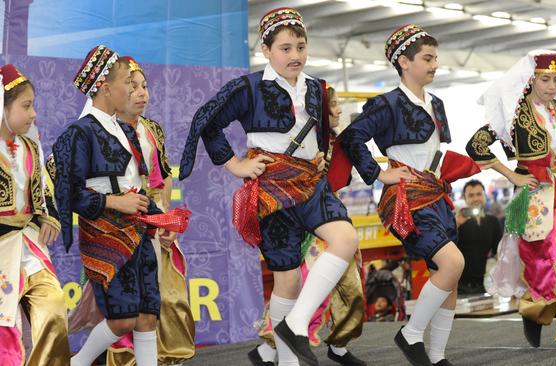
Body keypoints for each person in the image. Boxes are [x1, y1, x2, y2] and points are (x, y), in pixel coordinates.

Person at [179, 8, 359, 366]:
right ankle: (288, 355)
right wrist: (236, 165)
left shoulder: (318, 88)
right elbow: (207, 122)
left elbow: (321, 131)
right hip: (272, 190)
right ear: (266, 50)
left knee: (346, 239)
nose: (295, 56)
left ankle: (294, 324)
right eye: (285, 48)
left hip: (311, 184)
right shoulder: (249, 88)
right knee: (287, 280)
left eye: (301, 47)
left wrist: (321, 155)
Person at [335, 24, 480, 366]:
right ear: (404, 61)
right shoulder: (386, 104)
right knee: (453, 263)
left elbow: (436, 153)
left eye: (435, 58)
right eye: (427, 58)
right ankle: (410, 333)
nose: (434, 64)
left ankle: (438, 355)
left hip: (437, 195)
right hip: (406, 198)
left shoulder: (437, 103)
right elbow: (352, 137)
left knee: (449, 276)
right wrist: (378, 174)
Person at [52, 45, 177, 366]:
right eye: (128, 83)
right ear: (106, 89)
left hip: (140, 232)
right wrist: (113, 201)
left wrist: (162, 222)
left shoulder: (127, 130)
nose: (135, 90)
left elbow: (139, 187)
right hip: (106, 235)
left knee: (148, 315)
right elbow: (69, 194)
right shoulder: (80, 133)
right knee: (122, 319)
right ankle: (78, 364)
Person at [466, 50, 556, 349]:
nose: (551, 86)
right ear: (531, 78)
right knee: (543, 258)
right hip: (528, 194)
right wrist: (511, 175)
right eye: (545, 79)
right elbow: (476, 145)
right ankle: (535, 310)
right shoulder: (515, 114)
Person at [250, 86, 366, 366]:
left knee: (349, 286)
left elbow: (338, 184)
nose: (338, 110)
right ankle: (271, 348)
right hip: (307, 223)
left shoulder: (337, 142)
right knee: (306, 290)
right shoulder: (305, 145)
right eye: (333, 106)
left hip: (328, 218)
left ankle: (334, 344)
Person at [106, 56, 196, 366]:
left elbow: (164, 176)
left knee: (171, 298)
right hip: (124, 229)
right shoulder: (104, 133)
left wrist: (165, 218)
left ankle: (169, 357)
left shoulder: (152, 128)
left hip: (155, 221)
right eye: (132, 87)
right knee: (134, 304)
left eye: (144, 86)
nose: (142, 93)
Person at [0, 64, 70, 365]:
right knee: (6, 330)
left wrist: (49, 217)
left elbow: (44, 191)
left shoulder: (31, 146)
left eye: (33, 105)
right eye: (26, 106)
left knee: (53, 307)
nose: (33, 114)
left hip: (28, 245)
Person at [455, 180, 502, 295]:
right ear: (464, 198)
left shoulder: (492, 221)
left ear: (485, 195)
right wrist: (456, 224)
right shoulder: (457, 220)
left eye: (479, 194)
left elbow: (499, 252)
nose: (476, 198)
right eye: (471, 195)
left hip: (482, 284)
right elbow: (445, 246)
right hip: (457, 285)